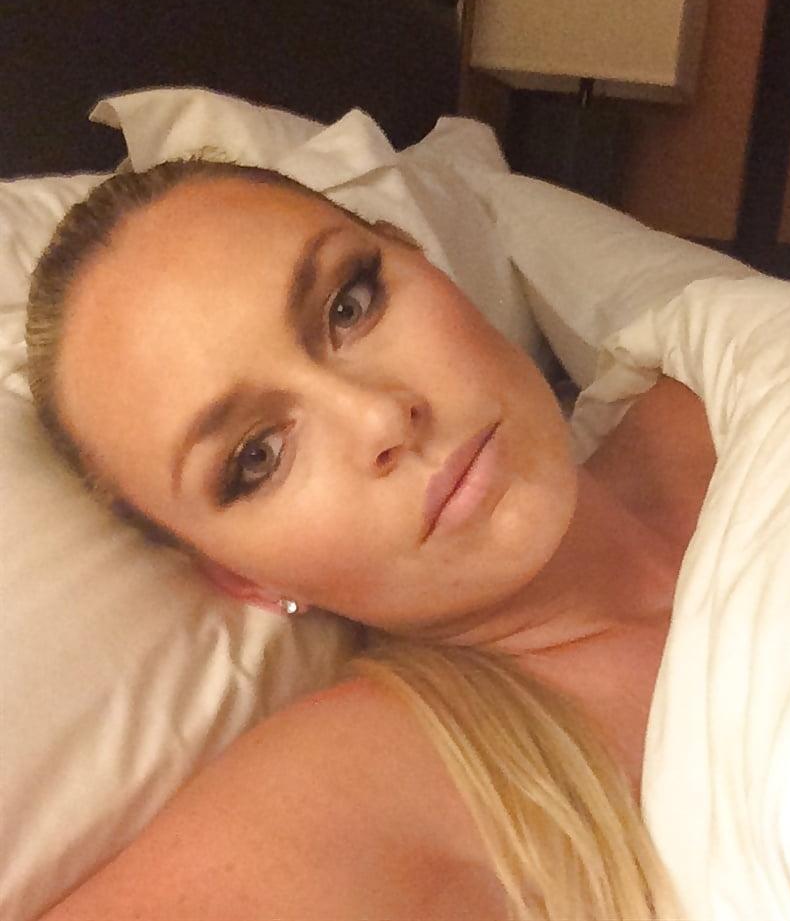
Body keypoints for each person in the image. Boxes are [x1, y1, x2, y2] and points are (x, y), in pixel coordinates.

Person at [26, 160, 717, 921]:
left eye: (349, 306)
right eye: (258, 457)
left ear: (417, 254)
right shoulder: (373, 785)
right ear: (244, 579)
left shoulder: (729, 377)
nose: (380, 417)